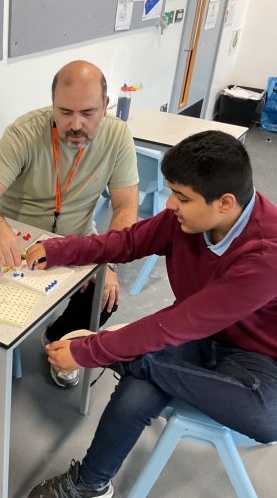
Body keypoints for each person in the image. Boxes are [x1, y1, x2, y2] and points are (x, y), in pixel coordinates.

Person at [25, 130, 277, 497]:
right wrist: (61, 250)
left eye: (182, 198)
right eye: (172, 192)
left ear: (225, 203)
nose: (170, 205)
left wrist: (92, 350)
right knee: (139, 388)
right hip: (194, 336)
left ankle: (137, 361)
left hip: (256, 357)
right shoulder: (185, 219)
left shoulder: (268, 253)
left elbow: (181, 323)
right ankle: (90, 485)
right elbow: (127, 241)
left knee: (266, 418)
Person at [0, 60, 139, 388]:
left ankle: (61, 338)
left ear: (105, 106)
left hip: (78, 241)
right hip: (20, 240)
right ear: (53, 104)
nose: (75, 125)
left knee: (105, 294)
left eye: (88, 113)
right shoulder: (25, 132)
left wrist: (108, 260)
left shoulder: (118, 136)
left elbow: (126, 205)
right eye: (65, 112)